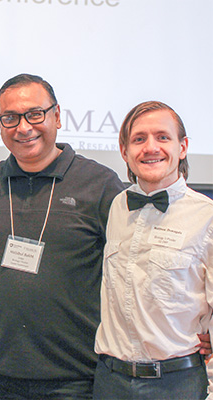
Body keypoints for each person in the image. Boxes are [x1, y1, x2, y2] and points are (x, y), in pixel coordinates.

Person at [0, 73, 126, 399]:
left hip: (76, 378)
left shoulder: (98, 184)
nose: (23, 127)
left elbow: (134, 269)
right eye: (10, 118)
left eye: (35, 114)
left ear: (57, 116)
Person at [93, 101, 213, 399]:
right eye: (139, 139)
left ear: (182, 147)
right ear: (124, 151)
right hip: (110, 382)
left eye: (162, 137)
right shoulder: (117, 207)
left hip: (178, 384)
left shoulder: (207, 216)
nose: (150, 147)